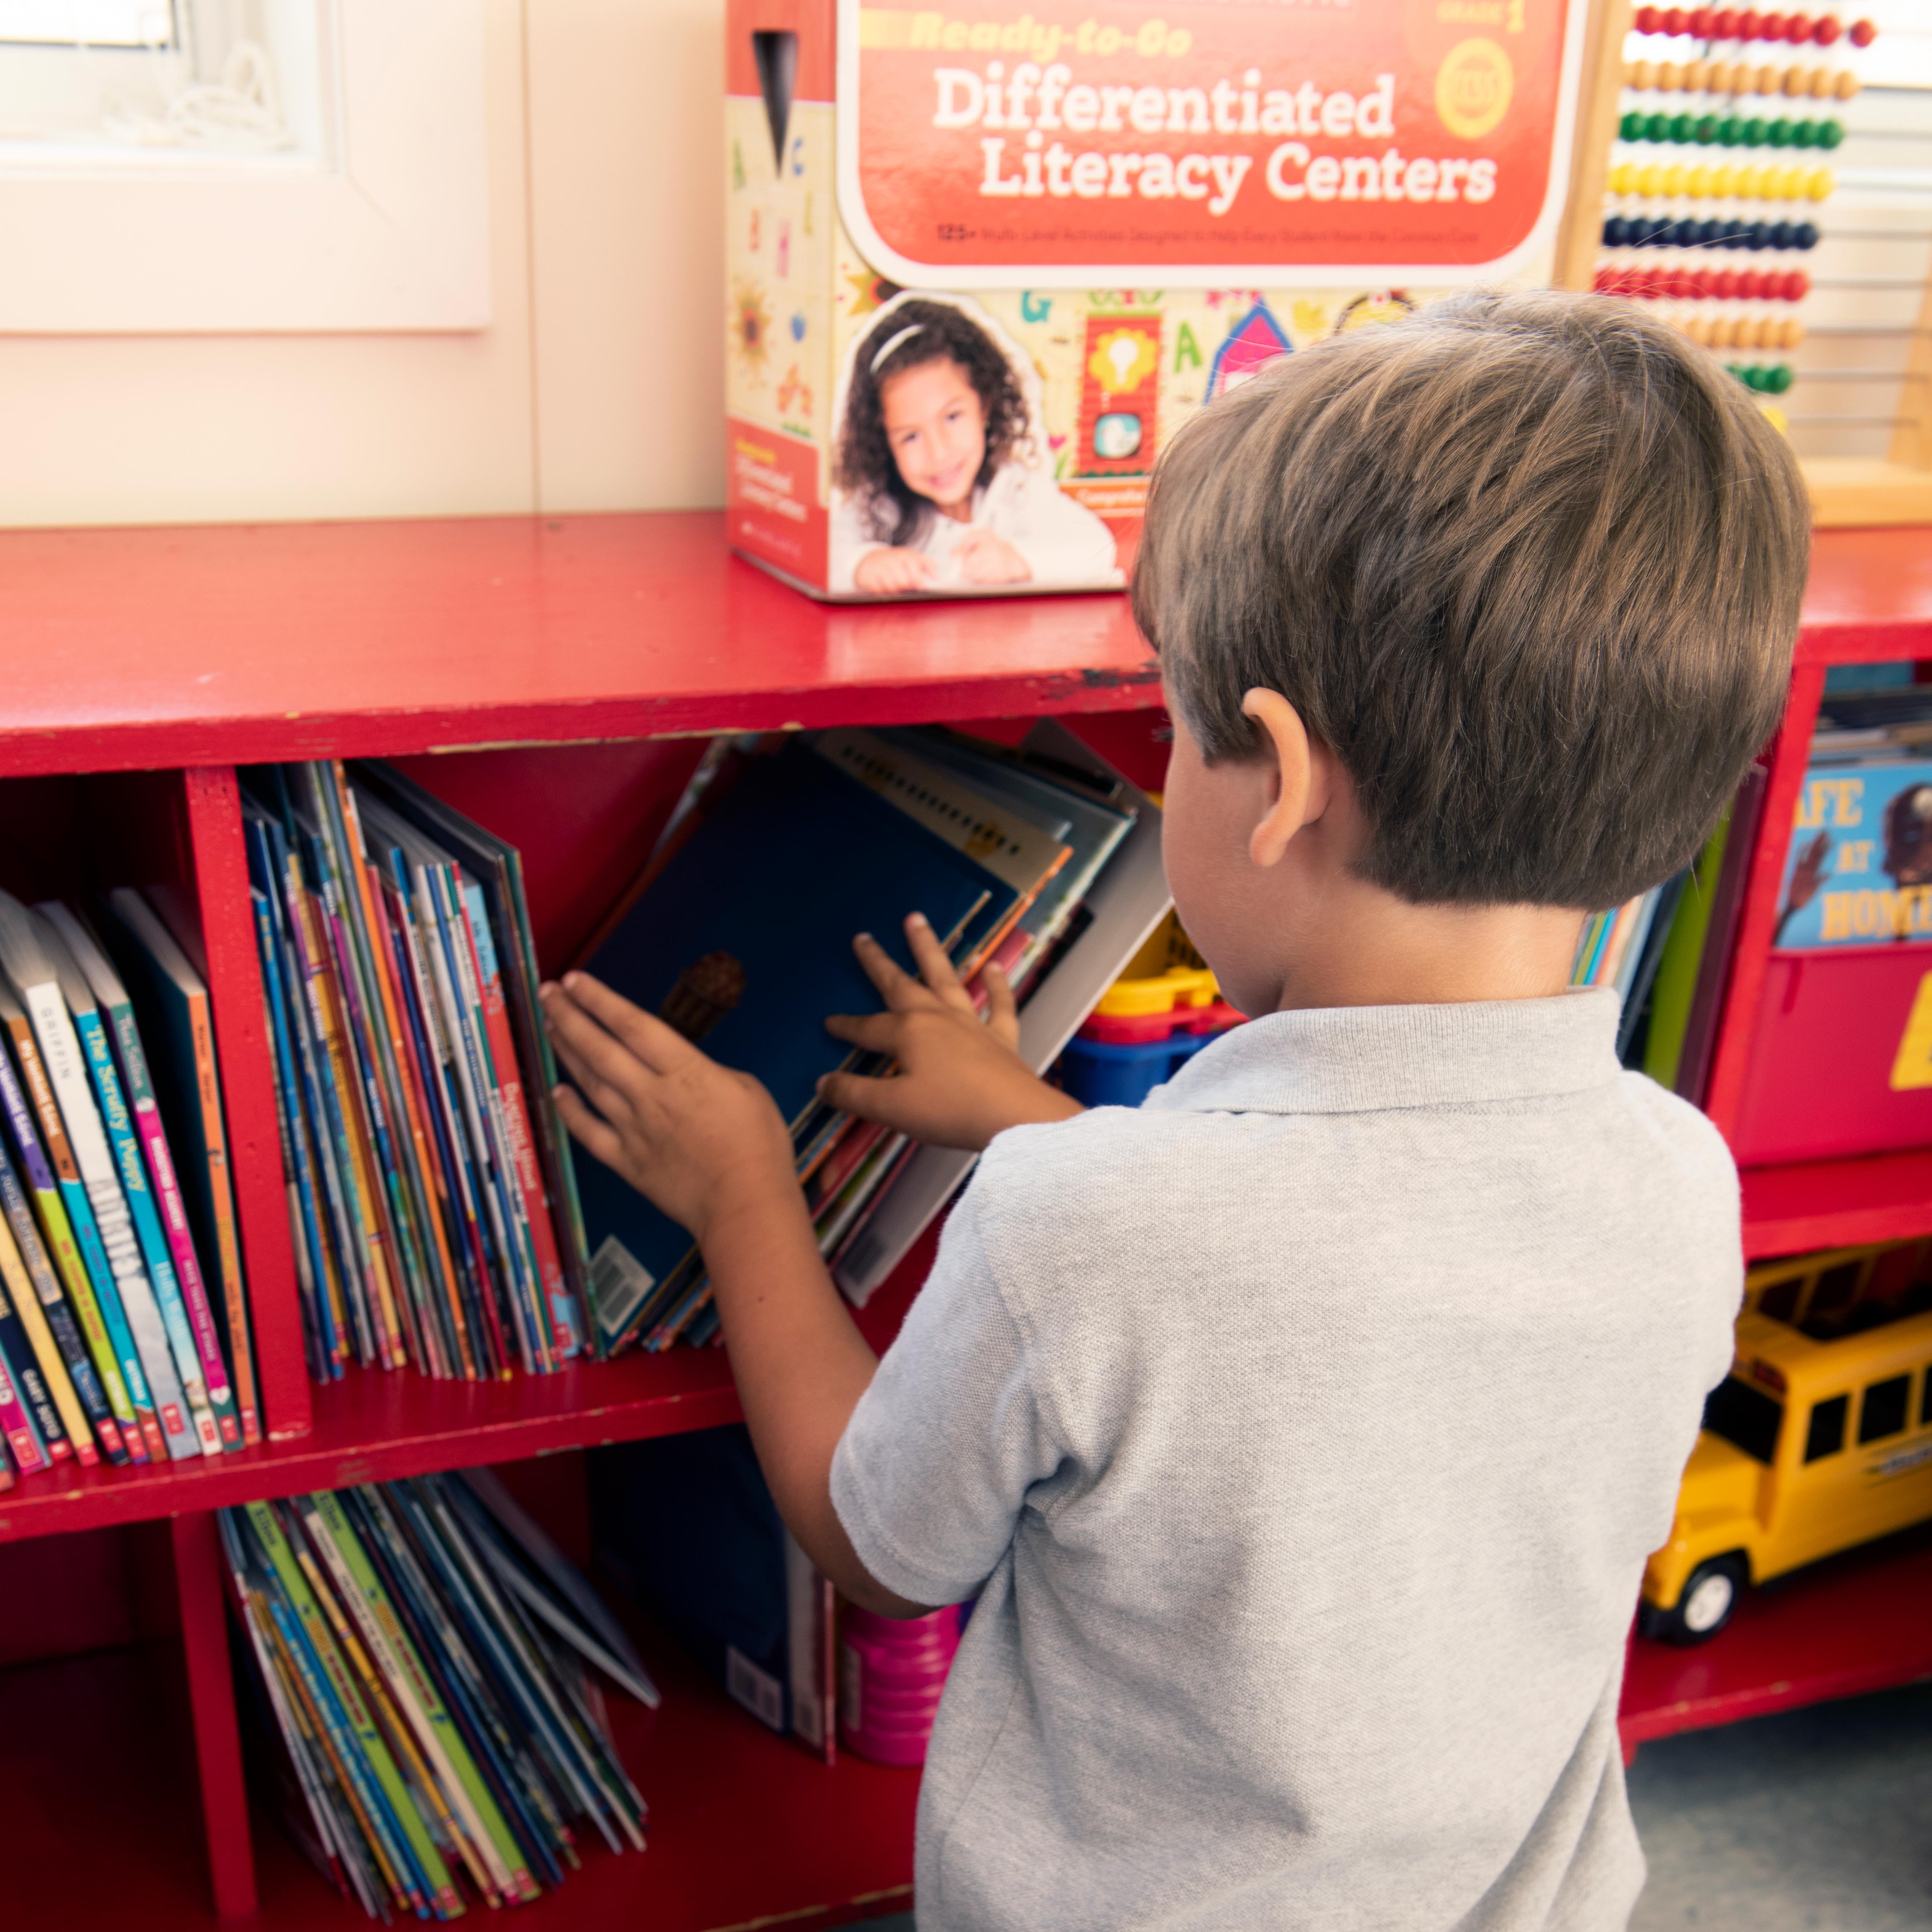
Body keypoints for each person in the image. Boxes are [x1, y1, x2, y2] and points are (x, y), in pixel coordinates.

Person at [540, 288, 1811, 1930]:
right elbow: (1345, 1293)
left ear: (1268, 776)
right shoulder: (1676, 1178)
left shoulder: (1080, 1229)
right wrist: (1023, 1108)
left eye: (1177, 725)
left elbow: (881, 1538)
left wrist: (742, 1197)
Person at [830, 297, 1120, 595]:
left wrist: (1018, 560)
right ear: (884, 442)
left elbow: (1097, 548)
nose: (939, 453)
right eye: (910, 437)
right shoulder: (878, 509)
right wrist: (863, 563)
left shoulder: (1015, 493)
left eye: (953, 417)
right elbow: (821, 555)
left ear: (984, 404)